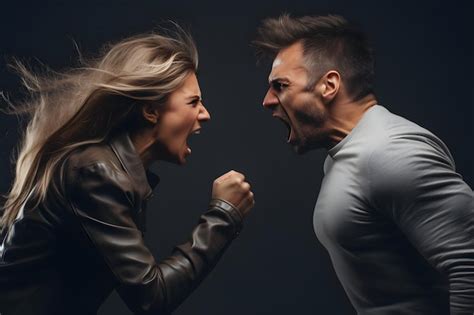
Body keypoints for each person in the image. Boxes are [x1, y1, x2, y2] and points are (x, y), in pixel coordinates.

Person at [0, 26, 254, 315]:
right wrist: (223, 213)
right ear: (150, 110)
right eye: (193, 102)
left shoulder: (102, 167)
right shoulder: (96, 173)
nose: (205, 114)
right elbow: (153, 297)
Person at [254, 14, 474, 314]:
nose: (267, 100)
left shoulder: (390, 153)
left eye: (280, 85)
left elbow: (469, 262)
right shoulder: (347, 154)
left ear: (328, 85)